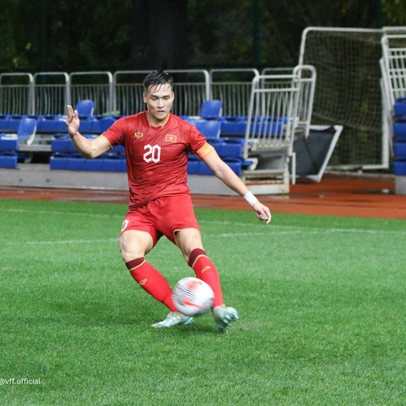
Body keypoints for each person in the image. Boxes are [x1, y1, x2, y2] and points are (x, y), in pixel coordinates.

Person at [65, 70, 272, 330]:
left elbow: (219, 167)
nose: (160, 104)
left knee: (193, 249)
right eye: (154, 98)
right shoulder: (127, 126)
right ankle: (177, 311)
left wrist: (252, 199)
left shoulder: (185, 130)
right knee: (129, 250)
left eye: (165, 98)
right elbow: (91, 150)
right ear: (145, 98)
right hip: (141, 208)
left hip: (174, 202)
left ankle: (218, 307)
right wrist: (75, 134)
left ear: (173, 96)